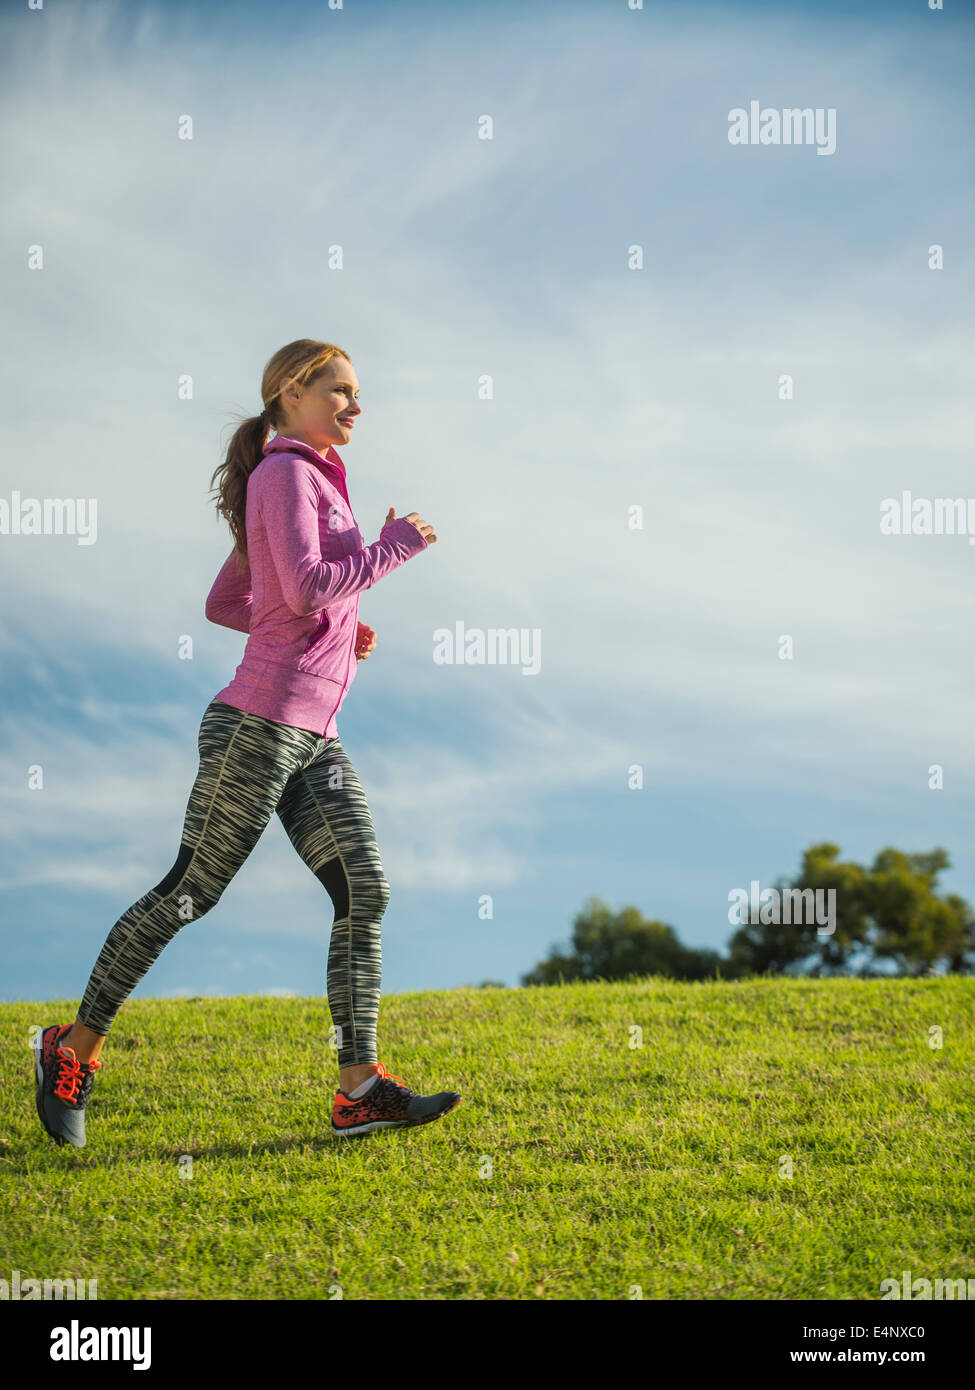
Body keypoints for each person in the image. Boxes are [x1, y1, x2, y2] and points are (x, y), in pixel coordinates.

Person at [33, 338, 462, 1147]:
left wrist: (341, 623)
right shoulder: (284, 476)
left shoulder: (309, 480)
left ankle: (358, 1089)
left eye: (357, 393)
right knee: (192, 890)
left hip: (315, 738)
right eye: (340, 390)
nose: (356, 406)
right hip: (258, 724)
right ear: (292, 392)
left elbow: (235, 598)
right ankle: (73, 1048)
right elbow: (297, 588)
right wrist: (391, 549)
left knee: (363, 891)